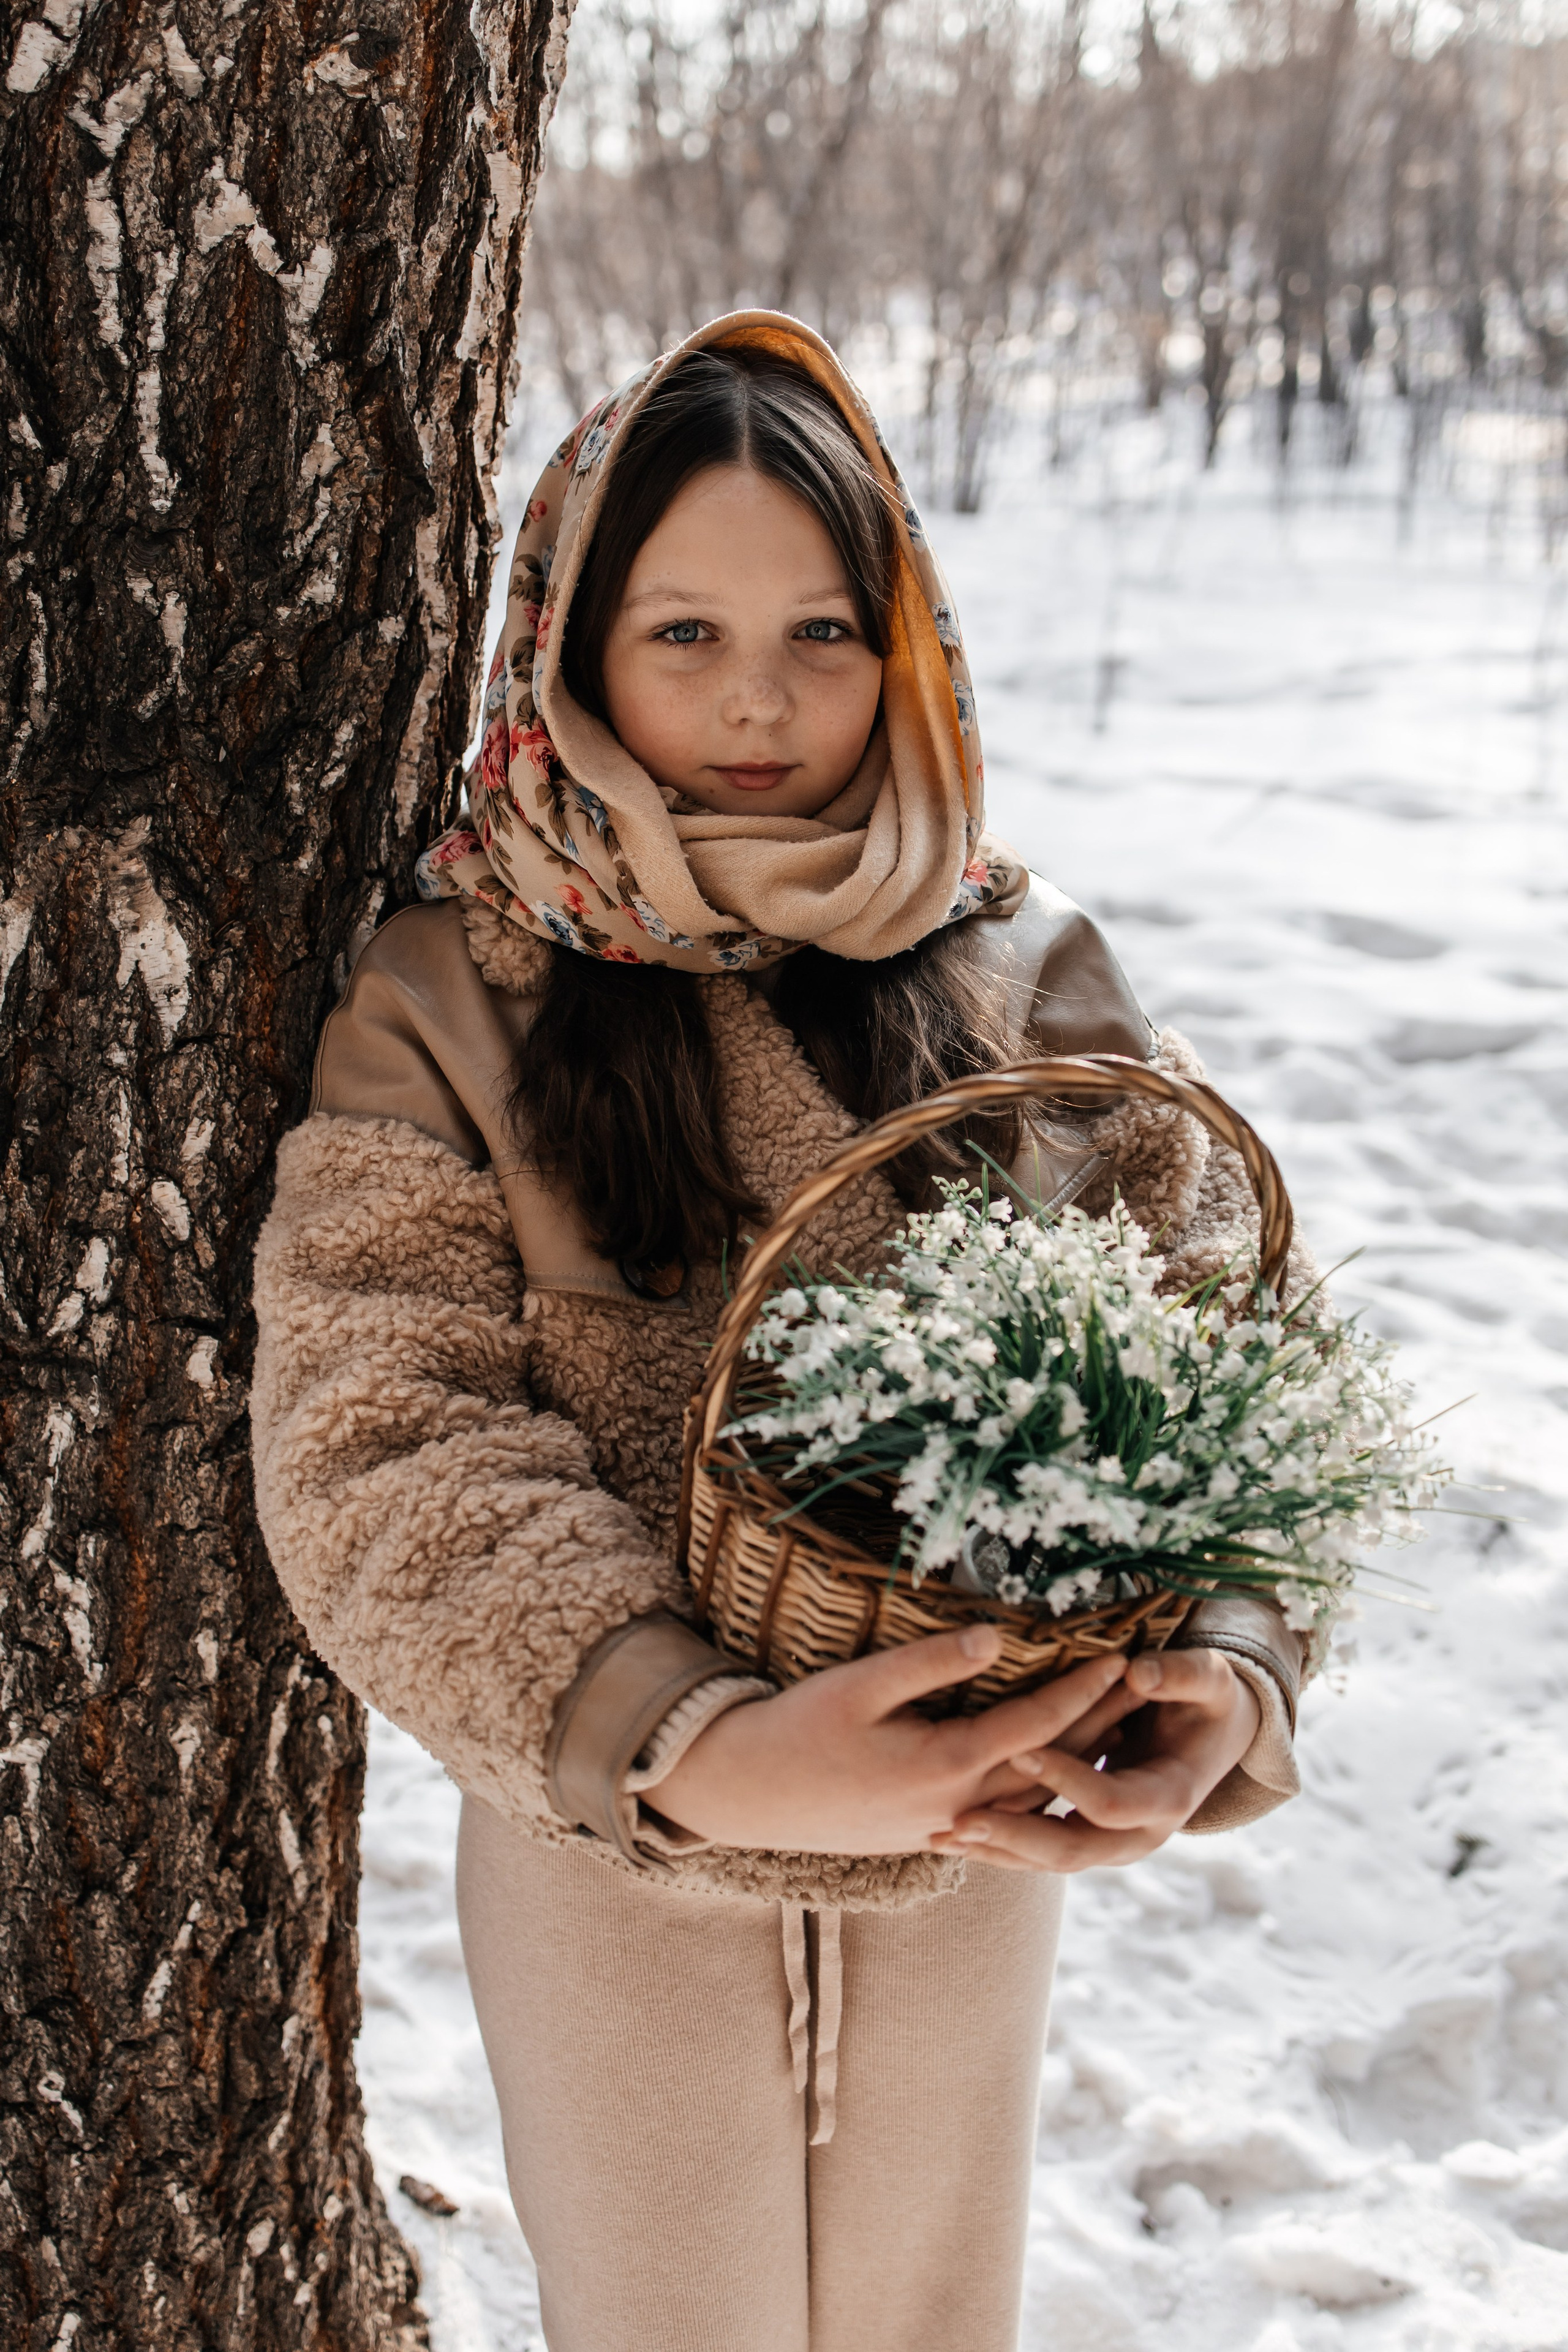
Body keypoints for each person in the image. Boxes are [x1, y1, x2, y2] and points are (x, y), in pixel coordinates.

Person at [252, 313, 1312, 2352]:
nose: (760, 703)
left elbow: (1226, 1353)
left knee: (931, 2308)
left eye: (826, 634)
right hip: (615, 1842)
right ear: (574, 645)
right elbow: (383, 1431)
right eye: (684, 634)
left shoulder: (1020, 965)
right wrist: (702, 1744)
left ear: (905, 639)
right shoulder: (459, 993)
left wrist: (1228, 1672)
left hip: (981, 1828)